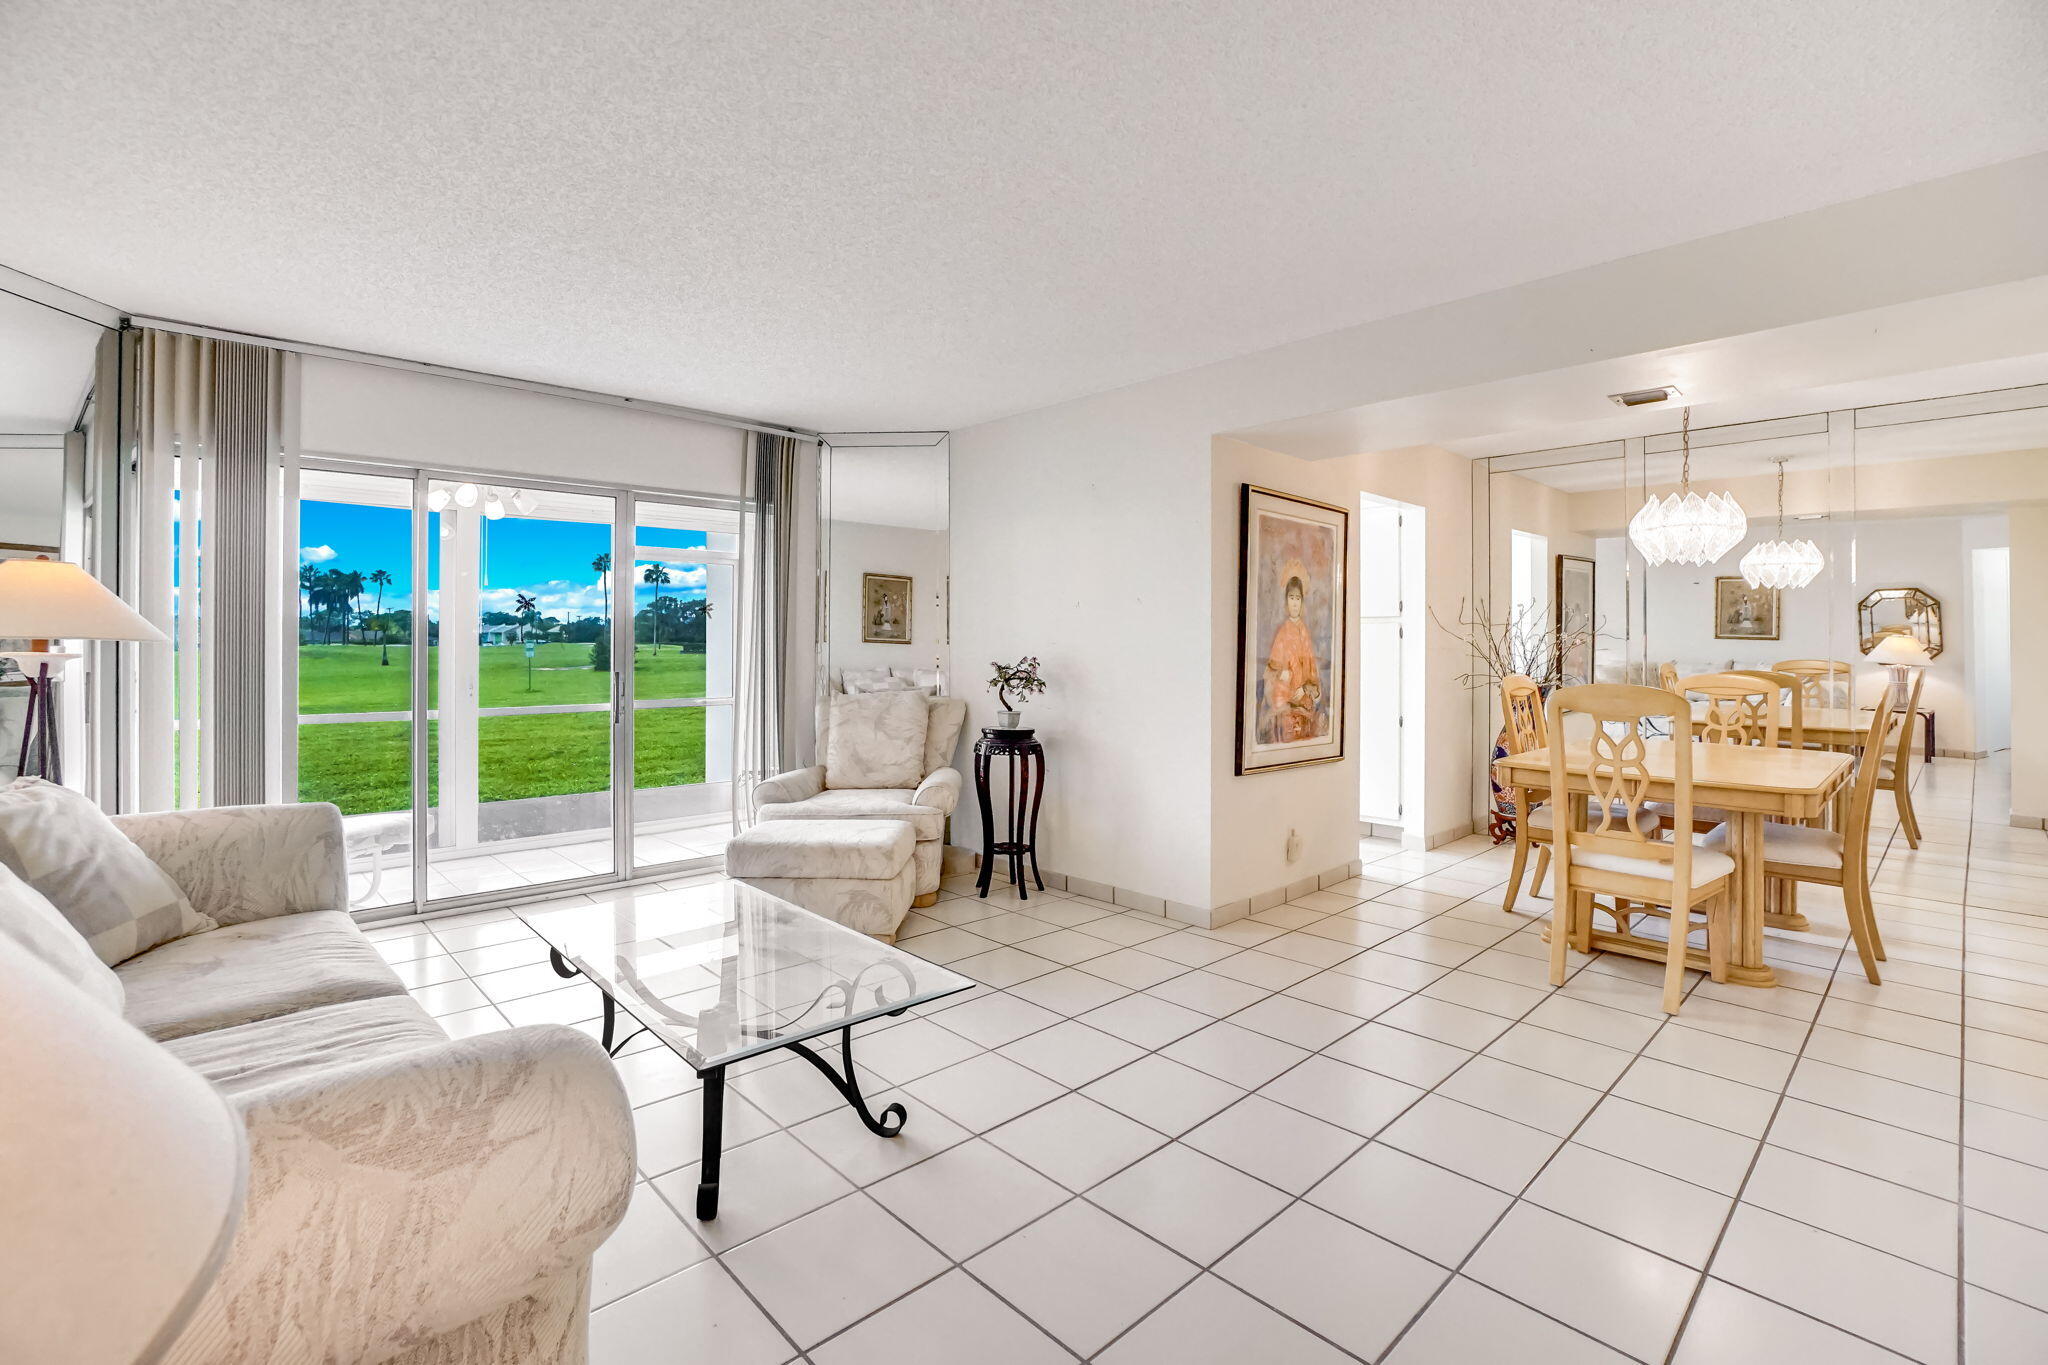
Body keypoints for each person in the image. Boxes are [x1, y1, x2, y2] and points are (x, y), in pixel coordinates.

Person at [1263, 564, 1323, 743]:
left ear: (1302, 602)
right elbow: (1271, 670)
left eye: (1298, 598)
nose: (1294, 603)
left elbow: (1312, 671)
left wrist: (1305, 688)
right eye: (1291, 598)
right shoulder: (1282, 632)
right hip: (1285, 696)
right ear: (1286, 601)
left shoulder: (1305, 632)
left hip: (1303, 698)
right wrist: (1283, 674)